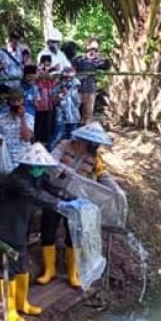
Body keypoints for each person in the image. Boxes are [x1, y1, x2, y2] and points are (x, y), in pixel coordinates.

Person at [0, 143, 75, 321]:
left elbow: (50, 188)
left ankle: (22, 303)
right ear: (29, 165)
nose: (42, 170)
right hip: (4, 225)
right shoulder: (18, 179)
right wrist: (58, 205)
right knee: (7, 267)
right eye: (39, 166)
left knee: (21, 263)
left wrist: (70, 198)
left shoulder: (37, 175)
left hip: (20, 225)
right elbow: (36, 196)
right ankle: (9, 309)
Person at [37, 122, 123, 288]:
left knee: (73, 235)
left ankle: (73, 273)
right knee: (48, 230)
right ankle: (49, 270)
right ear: (82, 139)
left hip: (75, 200)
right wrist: (62, 168)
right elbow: (49, 161)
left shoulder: (95, 158)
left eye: (96, 144)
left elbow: (103, 176)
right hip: (53, 195)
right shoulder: (64, 145)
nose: (93, 146)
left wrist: (116, 189)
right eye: (91, 143)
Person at [0, 88, 34, 170]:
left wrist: (22, 118)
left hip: (23, 158)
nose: (16, 104)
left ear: (22, 101)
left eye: (18, 101)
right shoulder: (1, 118)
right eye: (13, 101)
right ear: (9, 102)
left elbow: (27, 138)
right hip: (6, 157)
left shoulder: (29, 118)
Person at [72, 38, 111, 123]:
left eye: (95, 49)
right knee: (75, 112)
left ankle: (85, 132)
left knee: (88, 113)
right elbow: (72, 71)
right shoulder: (78, 59)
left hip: (90, 90)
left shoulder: (98, 60)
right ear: (87, 47)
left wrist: (103, 57)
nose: (93, 51)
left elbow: (107, 66)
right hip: (78, 90)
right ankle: (73, 133)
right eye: (91, 48)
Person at [49, 67, 81, 150]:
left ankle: (67, 157)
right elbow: (54, 101)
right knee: (57, 136)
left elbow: (78, 102)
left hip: (73, 117)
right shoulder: (57, 87)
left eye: (70, 78)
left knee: (72, 139)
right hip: (61, 117)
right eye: (66, 78)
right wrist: (61, 94)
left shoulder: (76, 87)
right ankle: (49, 154)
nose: (68, 79)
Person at [34, 55, 57, 144]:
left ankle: (45, 140)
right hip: (40, 99)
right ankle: (38, 139)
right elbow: (36, 78)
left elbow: (54, 81)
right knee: (39, 120)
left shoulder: (53, 71)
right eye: (45, 61)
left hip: (49, 100)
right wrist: (46, 74)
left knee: (47, 121)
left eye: (49, 61)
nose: (47, 63)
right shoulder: (38, 70)